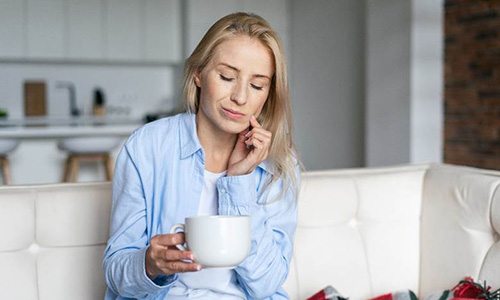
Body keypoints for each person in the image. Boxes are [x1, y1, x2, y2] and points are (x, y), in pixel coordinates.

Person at [103, 12, 300, 299]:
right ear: (198, 73)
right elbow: (115, 270)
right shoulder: (148, 147)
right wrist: (149, 264)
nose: (241, 97)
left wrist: (239, 182)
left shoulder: (279, 164)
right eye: (227, 77)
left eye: (257, 85)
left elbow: (267, 283)